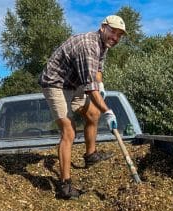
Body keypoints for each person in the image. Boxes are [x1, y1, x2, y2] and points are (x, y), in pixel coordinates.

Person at [39, 15, 126, 200]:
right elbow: (90, 88)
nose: (115, 37)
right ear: (103, 27)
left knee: (93, 113)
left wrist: (100, 85)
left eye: (119, 35)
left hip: (74, 82)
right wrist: (108, 111)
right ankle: (64, 186)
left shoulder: (104, 45)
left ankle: (90, 155)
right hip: (56, 83)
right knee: (69, 131)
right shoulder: (88, 46)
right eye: (113, 32)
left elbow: (97, 72)